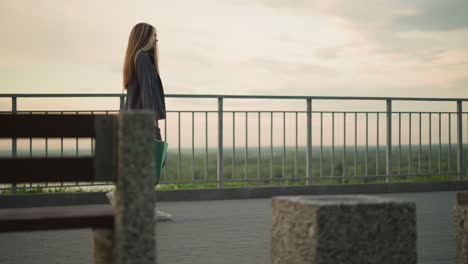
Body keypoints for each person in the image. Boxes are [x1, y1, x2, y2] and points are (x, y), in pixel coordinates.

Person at [106, 22, 172, 221]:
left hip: (134, 117)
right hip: (143, 119)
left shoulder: (137, 58)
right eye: (154, 35)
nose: (156, 40)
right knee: (152, 164)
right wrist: (152, 119)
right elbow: (147, 90)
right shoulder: (142, 58)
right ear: (144, 37)